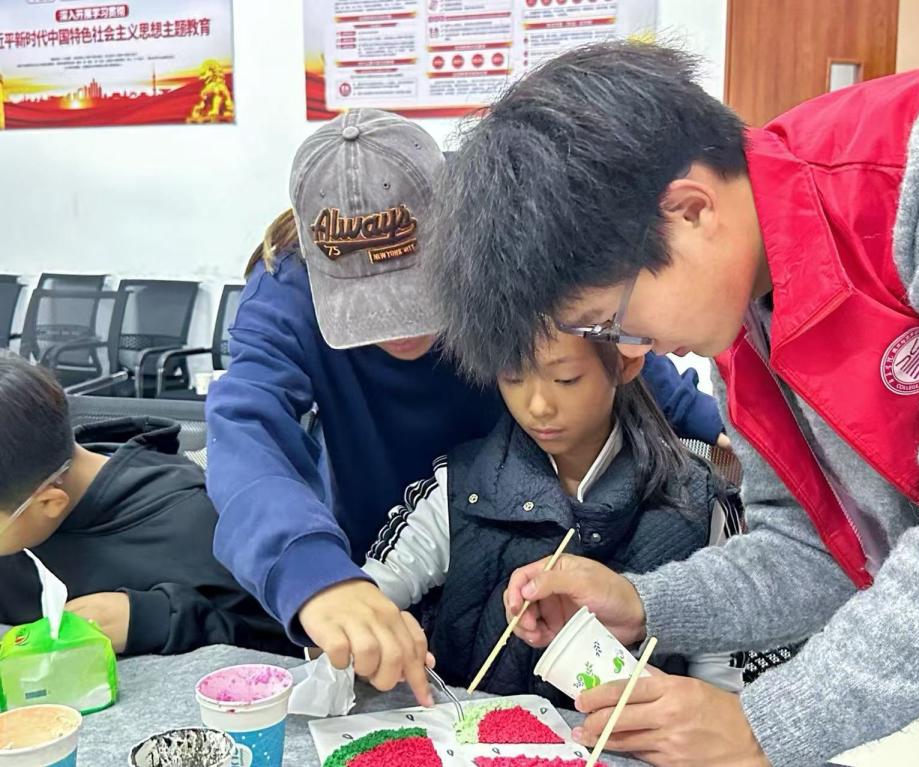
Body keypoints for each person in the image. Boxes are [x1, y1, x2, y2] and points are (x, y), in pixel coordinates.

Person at [428, 43, 919, 767]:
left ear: (689, 211)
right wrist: (643, 604)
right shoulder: (737, 306)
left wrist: (764, 725)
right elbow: (814, 549)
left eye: (610, 320)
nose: (636, 350)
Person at [204, 109, 727, 707]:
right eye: (369, 307)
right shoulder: (287, 289)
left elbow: (600, 334)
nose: (401, 332)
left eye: (418, 290)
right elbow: (244, 428)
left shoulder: (502, 223)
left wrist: (706, 419)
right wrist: (314, 573)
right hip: (393, 539)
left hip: (515, 499)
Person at [363, 328, 743, 702]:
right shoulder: (460, 483)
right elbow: (370, 593)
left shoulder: (698, 503)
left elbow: (721, 690)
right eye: (513, 377)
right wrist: (374, 623)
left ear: (626, 364)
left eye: (566, 379)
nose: (538, 406)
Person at [0, 353, 292, 657]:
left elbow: (290, 649)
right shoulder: (19, 502)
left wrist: (157, 618)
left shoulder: (195, 525)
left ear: (49, 503)